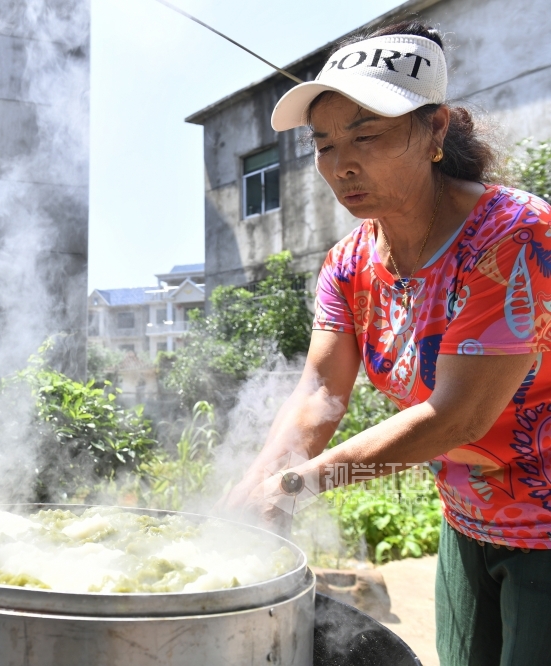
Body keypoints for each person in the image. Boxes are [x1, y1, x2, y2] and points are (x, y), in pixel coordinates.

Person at [225, 21, 551, 666]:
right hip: (467, 517)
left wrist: (301, 485)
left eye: (367, 136)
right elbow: (320, 391)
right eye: (323, 144)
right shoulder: (349, 263)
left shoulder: (515, 237)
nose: (341, 164)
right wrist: (255, 484)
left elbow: (458, 415)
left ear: (436, 131)